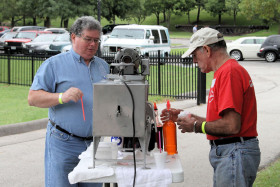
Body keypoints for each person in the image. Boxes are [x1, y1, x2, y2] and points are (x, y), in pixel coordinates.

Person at [161, 28, 260, 187]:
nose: (194, 61)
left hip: (234, 151)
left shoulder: (229, 72)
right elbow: (223, 121)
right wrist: (187, 117)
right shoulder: (224, 72)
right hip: (231, 152)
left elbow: (231, 126)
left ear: (206, 50)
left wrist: (195, 125)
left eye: (194, 55)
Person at [28, 16, 109, 187]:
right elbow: (33, 98)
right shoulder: (53, 65)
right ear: (74, 36)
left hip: (94, 146)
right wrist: (60, 97)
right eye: (88, 39)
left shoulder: (103, 66)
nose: (93, 44)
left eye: (96, 40)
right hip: (63, 143)